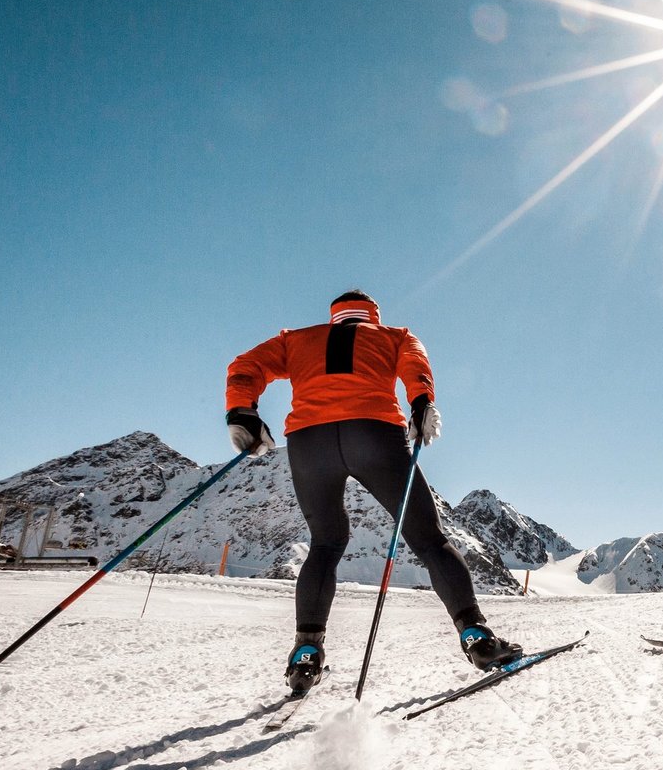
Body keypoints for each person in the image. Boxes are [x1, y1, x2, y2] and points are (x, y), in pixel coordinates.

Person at [224, 290, 522, 693]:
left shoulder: (294, 340)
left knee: (325, 544)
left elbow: (245, 366)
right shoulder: (395, 336)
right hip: (375, 434)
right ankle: (477, 638)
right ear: (372, 316)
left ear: (334, 318)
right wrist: (421, 404)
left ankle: (306, 655)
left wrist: (242, 410)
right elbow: (416, 368)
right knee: (430, 540)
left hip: (310, 443)